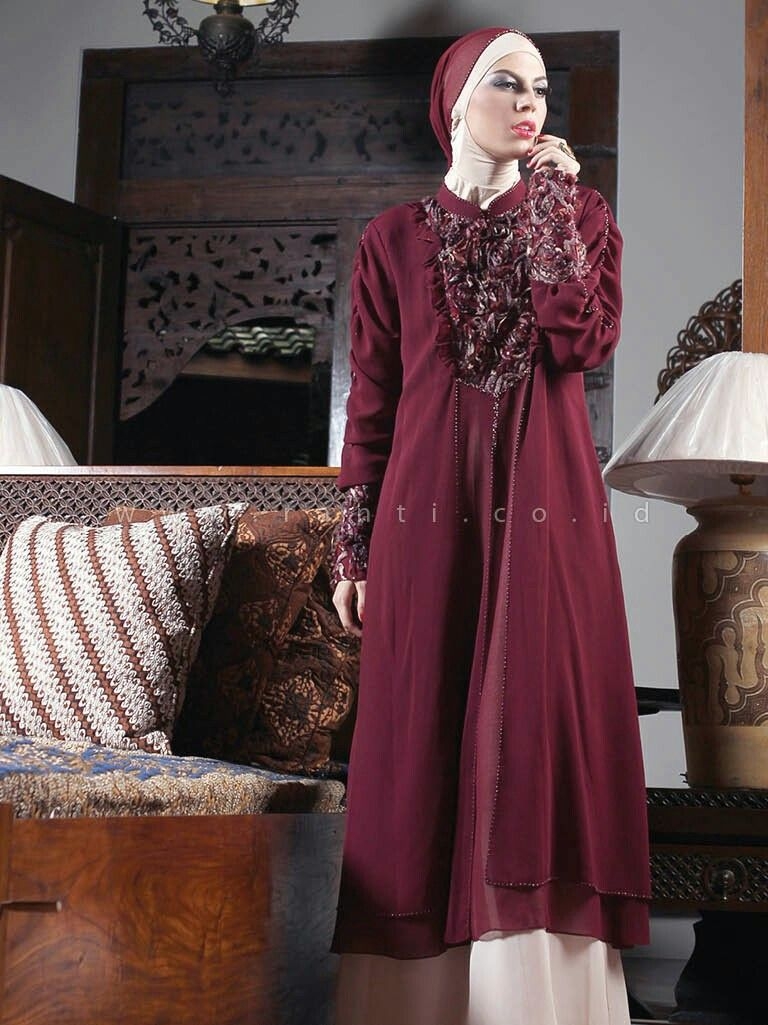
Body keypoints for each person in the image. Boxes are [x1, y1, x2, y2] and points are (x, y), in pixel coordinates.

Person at [328, 26, 651, 1025]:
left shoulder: (577, 215)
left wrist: (550, 198)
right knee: (420, 732)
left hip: (548, 517)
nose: (529, 102)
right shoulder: (391, 238)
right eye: (506, 82)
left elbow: (581, 335)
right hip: (423, 518)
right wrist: (355, 545)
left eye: (541, 87)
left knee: (533, 727)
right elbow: (372, 405)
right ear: (455, 98)